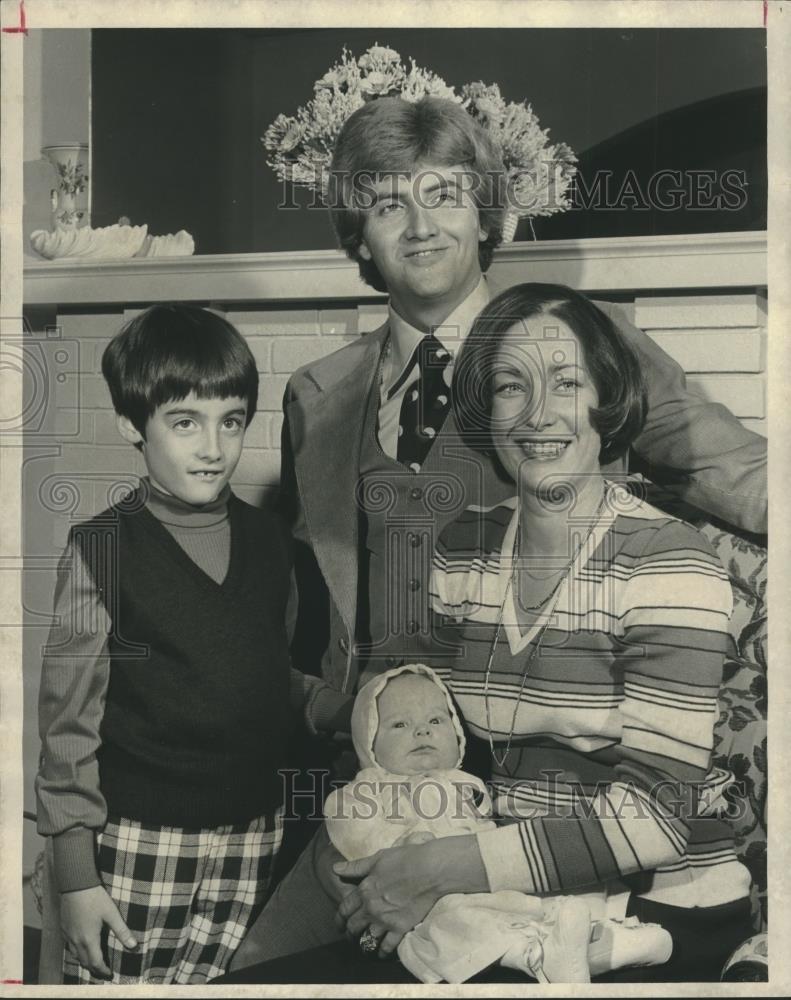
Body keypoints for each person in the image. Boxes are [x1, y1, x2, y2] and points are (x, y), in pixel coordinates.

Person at [230, 94, 766, 969]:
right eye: (386, 200)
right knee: (252, 976)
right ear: (357, 235)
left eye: (443, 193)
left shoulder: (582, 351)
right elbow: (314, 608)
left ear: (485, 215)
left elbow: (736, 470)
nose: (419, 223)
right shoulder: (317, 396)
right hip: (373, 785)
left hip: (535, 817)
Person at [332, 283, 755, 983]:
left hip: (660, 910)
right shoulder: (462, 546)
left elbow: (653, 821)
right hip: (504, 898)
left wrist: (441, 869)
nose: (536, 416)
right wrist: (370, 860)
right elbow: (429, 737)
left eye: (565, 383)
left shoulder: (666, 561)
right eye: (508, 386)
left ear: (605, 400)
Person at [35, 304, 339, 985]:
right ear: (130, 426)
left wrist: (340, 707)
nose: (213, 446)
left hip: (251, 838)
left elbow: (267, 675)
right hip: (137, 842)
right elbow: (66, 731)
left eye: (230, 420)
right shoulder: (102, 549)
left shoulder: (271, 545)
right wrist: (77, 877)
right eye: (184, 422)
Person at [325, 663, 674, 984]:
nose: (422, 732)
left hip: (477, 874)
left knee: (544, 895)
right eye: (400, 725)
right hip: (419, 896)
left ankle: (600, 943)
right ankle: (534, 955)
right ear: (368, 742)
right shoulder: (365, 791)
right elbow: (353, 836)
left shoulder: (466, 784)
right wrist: (398, 843)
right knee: (456, 922)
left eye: (436, 721)